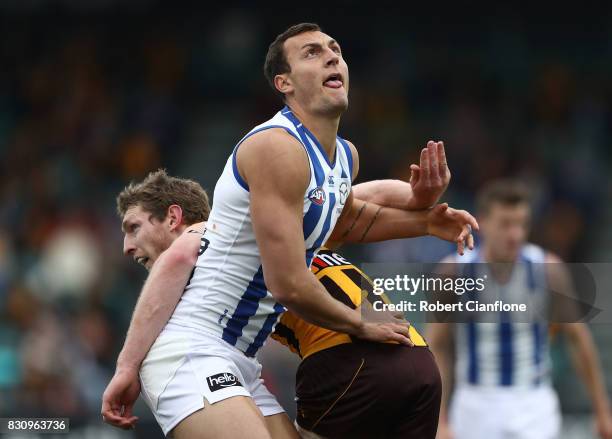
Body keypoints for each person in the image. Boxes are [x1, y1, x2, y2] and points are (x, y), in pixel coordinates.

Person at [103, 22, 477, 439]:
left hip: (241, 360)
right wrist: (360, 324)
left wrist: (423, 216)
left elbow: (347, 218)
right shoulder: (275, 147)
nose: (333, 56)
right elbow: (287, 285)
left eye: (335, 49)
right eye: (312, 53)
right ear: (284, 82)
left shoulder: (343, 157)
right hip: (194, 350)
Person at [103, 168, 470, 438]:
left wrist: (126, 367)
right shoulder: (286, 230)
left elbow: (179, 258)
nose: (127, 246)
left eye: (134, 227)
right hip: (415, 356)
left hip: (350, 359)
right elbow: (354, 198)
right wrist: (417, 204)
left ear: (174, 218)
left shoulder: (213, 236)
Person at [427, 179, 612, 439]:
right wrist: (439, 418)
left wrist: (602, 412)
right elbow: (438, 346)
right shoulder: (453, 273)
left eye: (521, 224)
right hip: (474, 402)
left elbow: (578, 340)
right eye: (505, 224)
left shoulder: (548, 270)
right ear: (481, 223)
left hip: (533, 401)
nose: (515, 234)